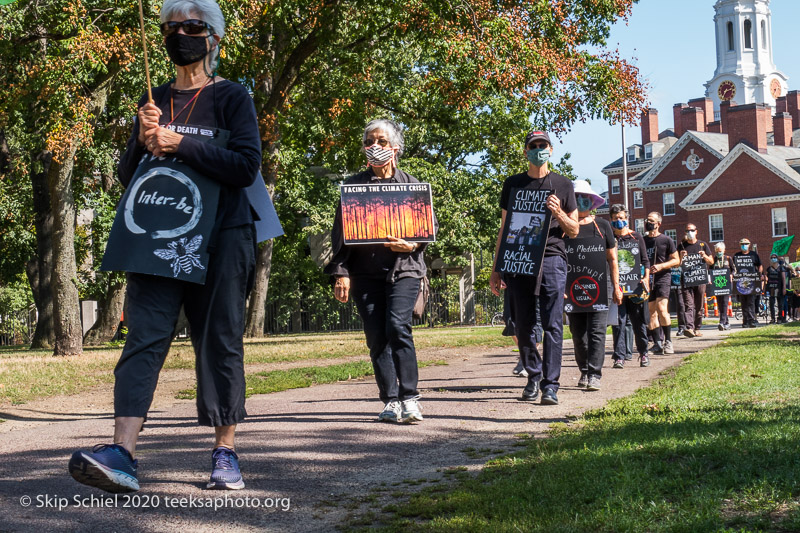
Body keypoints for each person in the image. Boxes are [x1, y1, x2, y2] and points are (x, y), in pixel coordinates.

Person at [69, 0, 261, 493]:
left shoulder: (233, 97)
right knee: (143, 338)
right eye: (171, 27)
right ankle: (122, 454)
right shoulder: (152, 98)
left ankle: (225, 453)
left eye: (192, 26)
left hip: (223, 237)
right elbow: (128, 176)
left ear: (213, 38)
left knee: (218, 341)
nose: (180, 34)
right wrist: (141, 136)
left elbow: (245, 167)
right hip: (158, 238)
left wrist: (181, 143)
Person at [325, 119, 435, 424]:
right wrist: (341, 273)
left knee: (397, 326)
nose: (375, 147)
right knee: (376, 337)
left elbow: (428, 229)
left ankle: (410, 398)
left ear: (395, 148)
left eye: (382, 142)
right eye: (370, 142)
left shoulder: (413, 186)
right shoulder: (353, 188)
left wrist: (412, 244)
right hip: (365, 274)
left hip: (406, 271)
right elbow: (341, 235)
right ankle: (390, 400)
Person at [490, 131, 578, 406]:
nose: (538, 149)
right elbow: (505, 228)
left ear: (551, 150)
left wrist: (559, 213)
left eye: (543, 145)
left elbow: (574, 230)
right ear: (526, 151)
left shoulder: (563, 185)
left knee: (552, 324)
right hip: (519, 258)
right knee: (523, 325)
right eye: (533, 146)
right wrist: (496, 268)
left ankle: (550, 385)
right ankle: (533, 375)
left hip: (552, 258)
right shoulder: (513, 184)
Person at [565, 182, 621, 391]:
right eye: (577, 196)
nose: (581, 201)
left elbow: (612, 259)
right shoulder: (563, 227)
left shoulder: (604, 226)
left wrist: (616, 286)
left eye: (585, 197)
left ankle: (595, 374)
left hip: (600, 287)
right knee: (578, 333)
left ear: (593, 201)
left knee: (597, 331)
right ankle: (584, 371)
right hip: (572, 289)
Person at [608, 204, 650, 368]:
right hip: (617, 288)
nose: (618, 221)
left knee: (638, 322)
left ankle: (643, 353)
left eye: (621, 218)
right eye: (615, 218)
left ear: (627, 219)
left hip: (635, 287)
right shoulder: (610, 238)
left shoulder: (636, 237)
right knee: (618, 322)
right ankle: (619, 357)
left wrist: (646, 278)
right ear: (611, 219)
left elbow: (645, 261)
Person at [643, 212, 680, 356]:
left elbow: (676, 260)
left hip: (663, 277)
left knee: (661, 308)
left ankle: (668, 341)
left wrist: (661, 266)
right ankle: (657, 343)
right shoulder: (643, 240)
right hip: (647, 279)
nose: (648, 222)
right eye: (647, 220)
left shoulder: (666, 240)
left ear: (658, 223)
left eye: (651, 221)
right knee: (651, 311)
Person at [676, 223, 714, 338]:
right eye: (687, 231)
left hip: (700, 278)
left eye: (692, 230)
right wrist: (681, 257)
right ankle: (689, 328)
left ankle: (697, 328)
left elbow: (711, 262)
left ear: (696, 231)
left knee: (699, 304)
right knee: (688, 304)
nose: (690, 233)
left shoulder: (702, 245)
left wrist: (704, 256)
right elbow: (676, 264)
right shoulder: (682, 246)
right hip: (687, 279)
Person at [734, 238, 763, 328]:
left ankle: (752, 320)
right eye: (742, 244)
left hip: (752, 282)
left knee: (751, 302)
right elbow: (733, 267)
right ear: (740, 245)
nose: (744, 245)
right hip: (740, 283)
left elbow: (760, 265)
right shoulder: (736, 255)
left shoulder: (754, 255)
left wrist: (759, 275)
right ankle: (745, 321)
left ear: (749, 245)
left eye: (746, 244)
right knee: (743, 302)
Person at [712, 242, 735, 331]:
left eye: (720, 251)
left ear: (724, 250)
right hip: (717, 285)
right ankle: (726, 322)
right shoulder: (713, 260)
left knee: (725, 302)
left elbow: (734, 270)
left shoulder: (728, 259)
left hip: (727, 284)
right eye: (717, 251)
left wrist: (731, 275)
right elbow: (710, 270)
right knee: (720, 303)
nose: (718, 253)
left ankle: (721, 322)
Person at [766, 254, 791, 323]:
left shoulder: (781, 268)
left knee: (780, 304)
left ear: (777, 259)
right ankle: (772, 318)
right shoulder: (768, 268)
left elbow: (784, 279)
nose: (773, 259)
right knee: (771, 304)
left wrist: (784, 288)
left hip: (779, 288)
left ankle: (780, 318)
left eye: (774, 258)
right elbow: (767, 279)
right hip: (771, 288)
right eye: (772, 258)